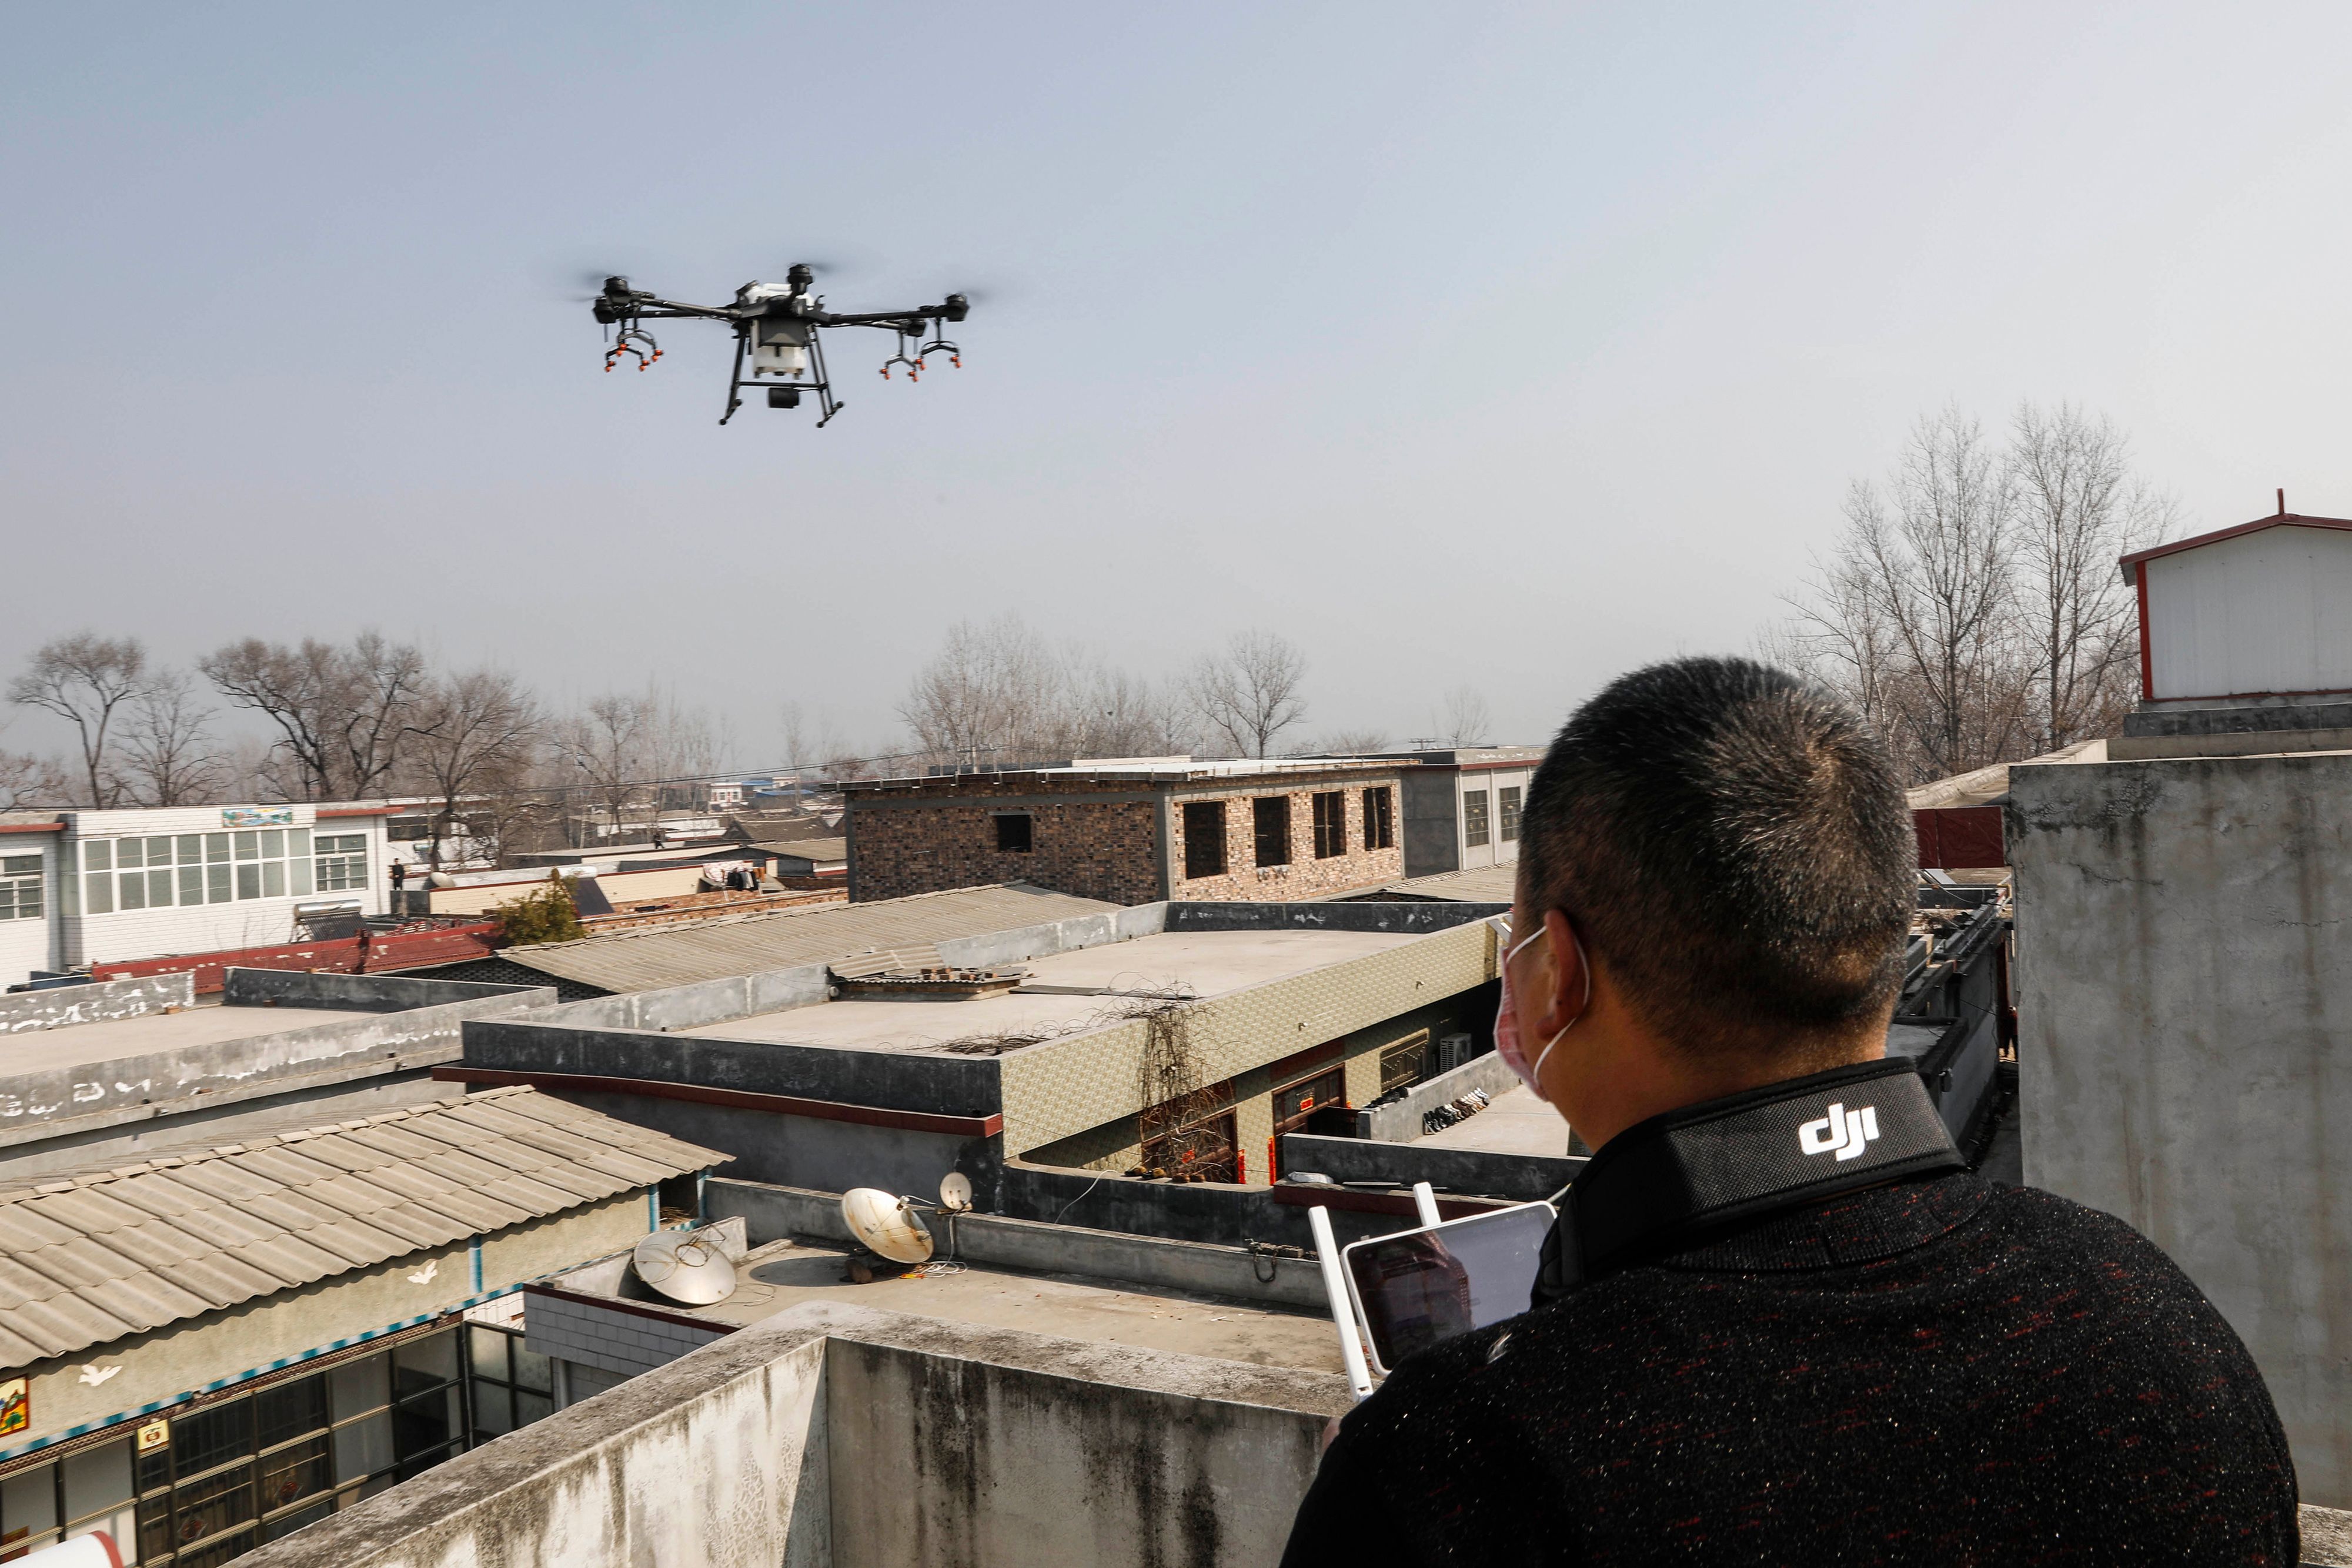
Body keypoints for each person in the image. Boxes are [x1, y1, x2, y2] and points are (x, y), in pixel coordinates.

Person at [1279, 657, 2297, 1565]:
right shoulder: (2157, 1325)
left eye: (1517, 949)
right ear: (1885, 949)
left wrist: (1393, 1475)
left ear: (1558, 977)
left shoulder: (1465, 1469)